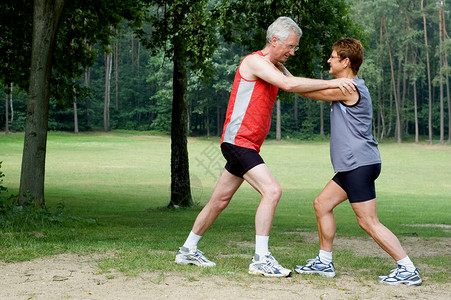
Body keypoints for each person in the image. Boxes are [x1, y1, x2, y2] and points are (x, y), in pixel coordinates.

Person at [175, 17, 356, 277]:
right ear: (274, 40)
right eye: (291, 46)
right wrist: (333, 82)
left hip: (246, 144)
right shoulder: (255, 62)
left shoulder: (276, 66)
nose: (293, 52)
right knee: (272, 191)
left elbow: (299, 87)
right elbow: (289, 85)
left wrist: (333, 89)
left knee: (219, 200)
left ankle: (188, 250)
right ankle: (261, 259)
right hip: (239, 142)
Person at [293, 38, 422, 286]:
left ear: (346, 61)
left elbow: (302, 90)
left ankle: (407, 268)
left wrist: (281, 75)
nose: (329, 60)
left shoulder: (348, 88)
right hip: (353, 165)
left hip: (358, 164)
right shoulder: (347, 86)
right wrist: (284, 76)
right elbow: (302, 88)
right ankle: (324, 261)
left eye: (333, 56)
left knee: (367, 221)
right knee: (322, 204)